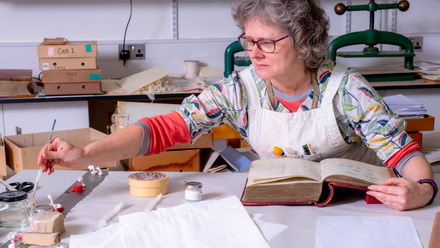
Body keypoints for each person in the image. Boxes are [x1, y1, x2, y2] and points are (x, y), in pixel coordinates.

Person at [38, 0, 436, 211]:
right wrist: (87, 153)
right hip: (282, 203)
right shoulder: (239, 90)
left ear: (303, 42)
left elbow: (405, 156)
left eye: (267, 42)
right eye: (249, 41)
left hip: (358, 206)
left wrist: (422, 190)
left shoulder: (348, 90)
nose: (253, 53)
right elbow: (162, 129)